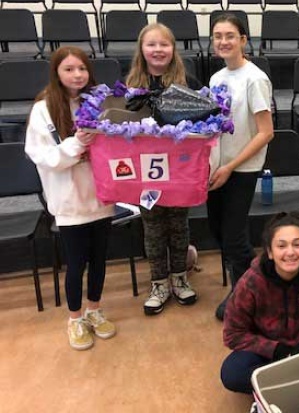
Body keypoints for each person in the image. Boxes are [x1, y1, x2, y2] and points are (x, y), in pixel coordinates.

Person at [25, 47, 116, 350]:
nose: (77, 75)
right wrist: (76, 145)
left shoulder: (99, 103)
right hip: (69, 203)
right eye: (69, 69)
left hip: (100, 198)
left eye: (82, 68)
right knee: (76, 264)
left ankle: (94, 310)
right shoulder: (43, 110)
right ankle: (75, 318)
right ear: (57, 72)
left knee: (100, 261)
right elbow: (44, 157)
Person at [220, 212, 299, 394]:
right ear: (270, 252)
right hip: (265, 352)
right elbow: (233, 334)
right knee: (232, 374)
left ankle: (284, 380)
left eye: (297, 244)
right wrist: (276, 350)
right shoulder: (250, 282)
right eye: (281, 246)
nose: (290, 252)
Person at [126, 23, 202, 315]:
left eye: (164, 44)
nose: (158, 50)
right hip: (147, 173)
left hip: (179, 170)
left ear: (173, 49)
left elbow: (204, 123)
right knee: (153, 226)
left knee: (179, 224)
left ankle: (180, 278)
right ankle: (159, 283)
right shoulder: (132, 86)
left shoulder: (188, 83)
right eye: (151, 45)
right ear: (142, 50)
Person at [208, 14, 274, 321]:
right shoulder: (216, 79)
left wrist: (231, 166)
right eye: (218, 36)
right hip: (217, 167)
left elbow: (266, 132)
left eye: (230, 35)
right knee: (218, 232)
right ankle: (248, 287)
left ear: (243, 40)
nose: (223, 41)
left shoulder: (255, 78)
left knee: (234, 237)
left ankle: (246, 293)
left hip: (242, 168)